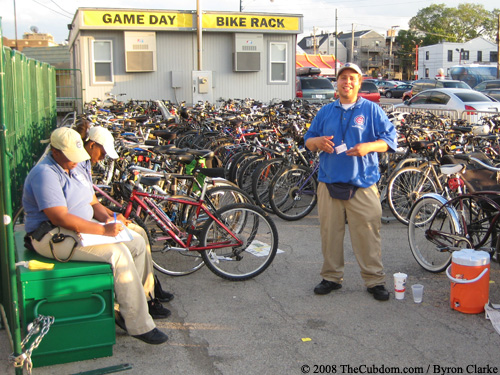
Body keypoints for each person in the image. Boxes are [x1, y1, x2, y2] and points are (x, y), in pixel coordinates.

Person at [22, 127, 169, 344]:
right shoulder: (45, 173)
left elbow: (92, 202)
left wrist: (112, 219)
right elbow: (59, 218)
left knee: (135, 241)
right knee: (117, 253)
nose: (75, 161)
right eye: (71, 157)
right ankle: (138, 324)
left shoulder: (75, 167)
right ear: (55, 152)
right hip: (51, 236)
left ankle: (134, 303)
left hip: (78, 229)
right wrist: (103, 230)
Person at [304, 63, 397, 301]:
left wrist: (369, 146)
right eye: (343, 78)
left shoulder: (372, 110)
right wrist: (317, 143)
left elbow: (389, 139)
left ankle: (374, 281)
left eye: (352, 78)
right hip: (329, 182)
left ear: (359, 82)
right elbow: (308, 140)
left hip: (362, 184)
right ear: (337, 82)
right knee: (330, 234)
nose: (347, 82)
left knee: (368, 234)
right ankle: (331, 278)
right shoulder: (325, 111)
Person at [73, 120, 175, 305]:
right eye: (102, 152)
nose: (103, 157)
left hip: (87, 222)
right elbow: (76, 210)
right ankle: (138, 300)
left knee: (141, 233)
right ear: (91, 145)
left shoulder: (84, 165)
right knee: (135, 244)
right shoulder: (76, 167)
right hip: (80, 228)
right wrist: (106, 226)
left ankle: (149, 288)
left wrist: (112, 217)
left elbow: (92, 201)